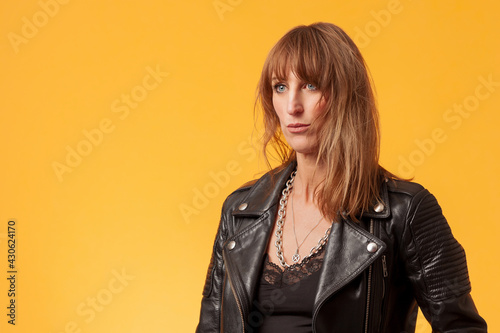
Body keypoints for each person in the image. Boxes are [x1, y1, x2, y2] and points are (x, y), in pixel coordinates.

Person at [195, 22, 487, 333]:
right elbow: (211, 327)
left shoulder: (404, 211)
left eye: (310, 86)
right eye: (280, 87)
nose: (293, 106)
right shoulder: (241, 211)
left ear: (346, 96)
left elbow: (462, 327)